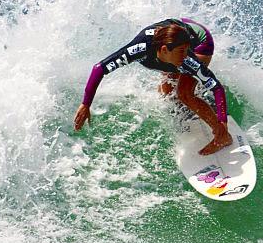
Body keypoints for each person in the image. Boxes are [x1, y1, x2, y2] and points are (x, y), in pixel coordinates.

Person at [73, 18, 233, 156]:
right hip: (176, 33)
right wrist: (85, 104)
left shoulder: (186, 57)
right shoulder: (139, 50)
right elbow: (100, 68)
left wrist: (222, 122)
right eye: (181, 53)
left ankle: (222, 136)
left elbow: (217, 88)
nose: (185, 58)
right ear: (164, 51)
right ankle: (194, 104)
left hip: (200, 41)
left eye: (185, 53)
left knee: (184, 94)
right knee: (166, 92)